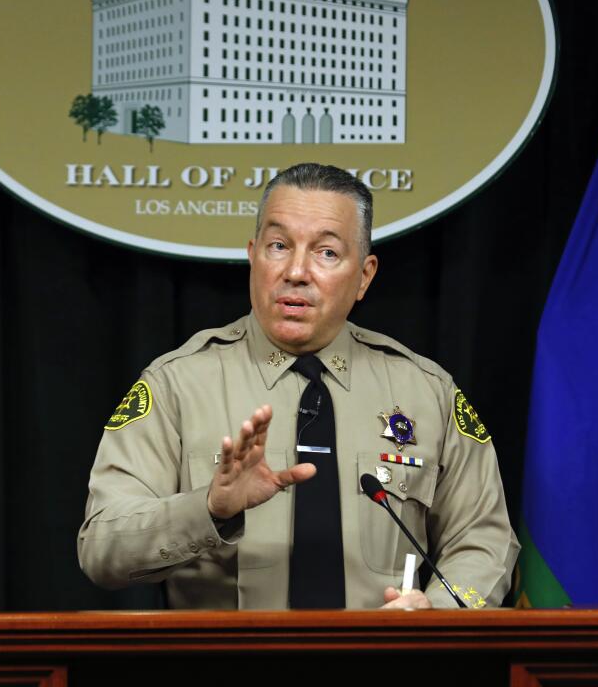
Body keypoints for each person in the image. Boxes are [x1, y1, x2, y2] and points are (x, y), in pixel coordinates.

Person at [78, 163, 518, 609]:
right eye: (279, 246)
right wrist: (210, 507)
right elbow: (100, 548)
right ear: (253, 255)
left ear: (364, 276)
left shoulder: (427, 391)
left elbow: (484, 537)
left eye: (326, 252)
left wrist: (439, 613)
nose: (296, 271)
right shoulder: (176, 384)